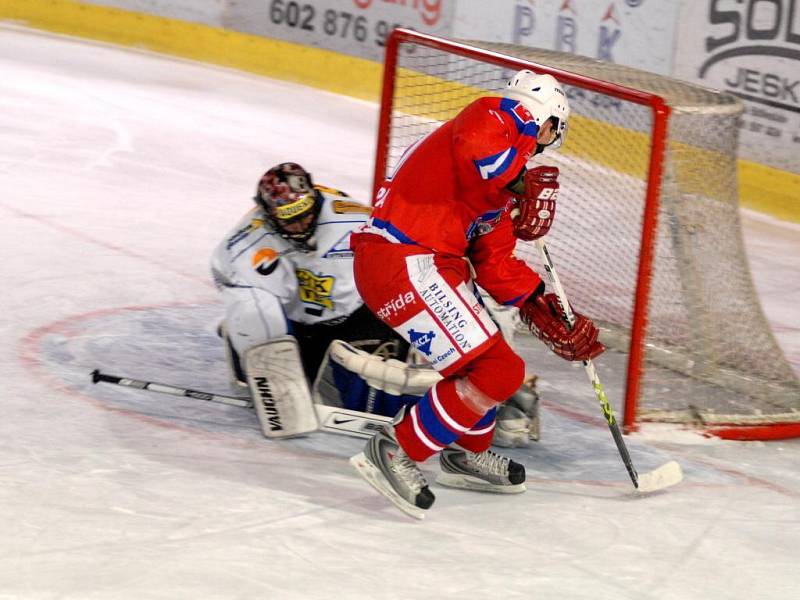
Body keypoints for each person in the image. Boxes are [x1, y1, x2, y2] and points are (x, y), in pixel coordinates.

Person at [348, 69, 605, 518]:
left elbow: (495, 263)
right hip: (402, 258)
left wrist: (540, 305)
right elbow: (479, 154)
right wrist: (524, 187)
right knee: (501, 369)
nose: (547, 140)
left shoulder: (498, 186)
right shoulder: (491, 115)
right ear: (546, 120)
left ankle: (464, 453)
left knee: (481, 365)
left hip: (426, 264)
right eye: (551, 131)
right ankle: (394, 447)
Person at [210, 162, 407, 396]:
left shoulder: (354, 220)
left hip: (358, 317)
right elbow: (225, 270)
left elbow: (404, 261)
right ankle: (242, 340)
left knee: (369, 386)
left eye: (305, 214)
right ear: (267, 213)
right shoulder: (250, 237)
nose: (301, 225)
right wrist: (250, 325)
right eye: (289, 220)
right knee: (289, 384)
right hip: (301, 327)